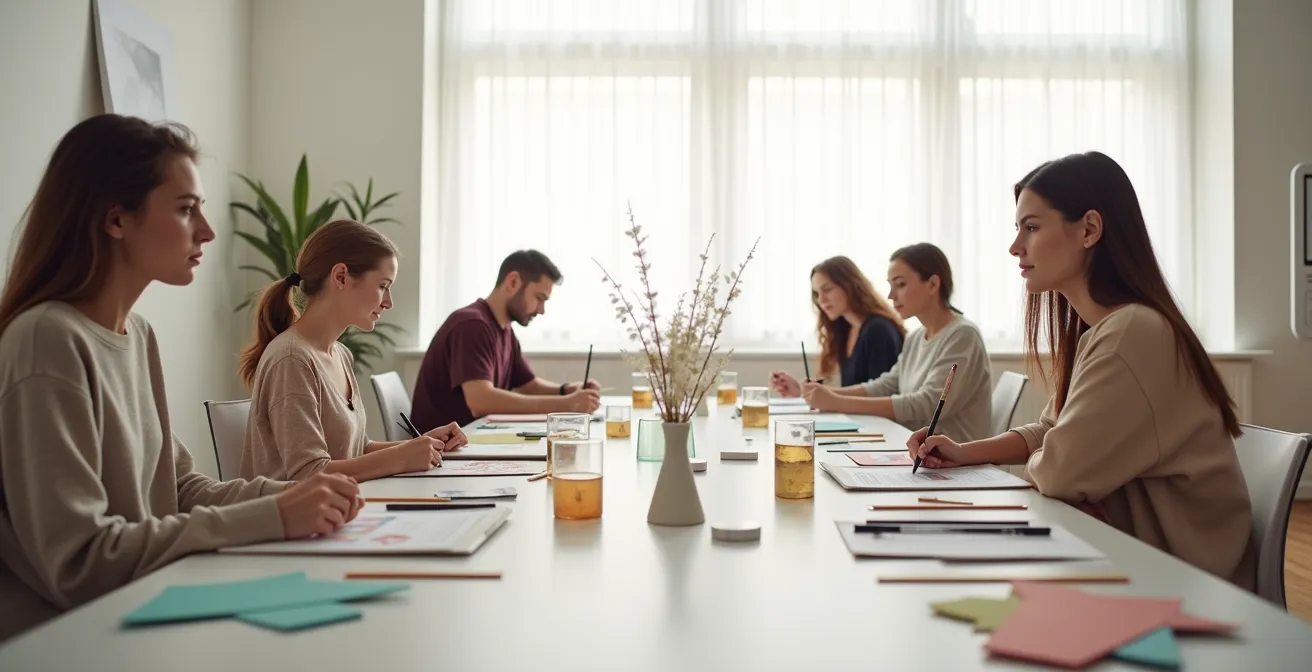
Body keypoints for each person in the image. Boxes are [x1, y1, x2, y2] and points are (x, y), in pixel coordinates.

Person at [0, 115, 362, 643]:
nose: (208, 231)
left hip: (142, 610)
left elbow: (180, 489)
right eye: (186, 209)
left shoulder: (137, 334)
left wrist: (298, 494)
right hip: (73, 639)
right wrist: (273, 515)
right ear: (116, 219)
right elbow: (79, 562)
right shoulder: (47, 340)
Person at [906, 151, 1256, 589]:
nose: (1015, 246)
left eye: (1031, 228)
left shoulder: (1134, 332)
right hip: (1128, 558)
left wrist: (1054, 460)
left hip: (1182, 583)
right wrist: (965, 451)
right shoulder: (1105, 330)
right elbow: (1052, 431)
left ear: (1089, 229)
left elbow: (1060, 469)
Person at [237, 220, 466, 482]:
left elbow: (357, 451)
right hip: (298, 520)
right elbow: (308, 473)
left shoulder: (340, 354)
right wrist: (401, 457)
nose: (389, 302)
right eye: (383, 286)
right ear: (341, 277)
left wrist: (423, 444)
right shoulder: (291, 359)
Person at [774, 243, 993, 443]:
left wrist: (835, 400)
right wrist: (825, 395)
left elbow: (928, 404)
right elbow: (885, 385)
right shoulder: (916, 338)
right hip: (918, 454)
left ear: (933, 284)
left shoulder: (963, 335)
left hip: (956, 467)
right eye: (890, 285)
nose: (890, 295)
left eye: (900, 284)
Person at [410, 250, 601, 431]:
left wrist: (566, 391)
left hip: (471, 442)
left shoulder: (504, 330)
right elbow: (481, 401)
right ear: (513, 282)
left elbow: (528, 385)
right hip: (442, 453)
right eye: (539, 298)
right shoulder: (472, 326)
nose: (541, 310)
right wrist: (567, 404)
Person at [770, 255, 905, 390]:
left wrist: (818, 393)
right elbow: (852, 397)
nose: (821, 300)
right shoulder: (846, 331)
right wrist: (801, 391)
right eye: (816, 294)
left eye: (827, 289)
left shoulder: (879, 330)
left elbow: (880, 396)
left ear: (850, 286)